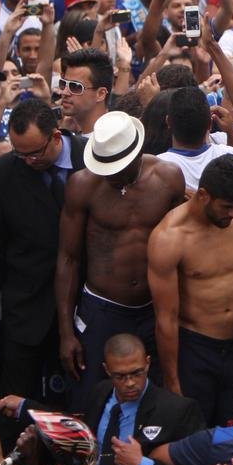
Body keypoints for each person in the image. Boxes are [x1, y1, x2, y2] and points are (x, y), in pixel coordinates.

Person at [0, 333, 204, 465]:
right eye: (120, 376)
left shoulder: (177, 411)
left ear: (148, 363)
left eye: (137, 373)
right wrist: (25, 407)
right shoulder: (100, 393)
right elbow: (76, 429)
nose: (130, 382)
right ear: (106, 369)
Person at [56, 111, 187, 410]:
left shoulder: (168, 177)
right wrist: (66, 332)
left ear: (137, 153)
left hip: (155, 308)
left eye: (118, 168)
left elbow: (184, 245)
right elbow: (68, 258)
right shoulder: (83, 185)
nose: (112, 175)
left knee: (154, 400)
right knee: (90, 399)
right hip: (102, 308)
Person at [0, 100, 87, 406]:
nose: (27, 160)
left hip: (84, 306)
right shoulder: (1, 174)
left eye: (34, 153)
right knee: (14, 401)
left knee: (76, 400)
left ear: (55, 136)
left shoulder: (90, 158)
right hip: (26, 306)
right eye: (19, 154)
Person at [147, 156, 233, 426]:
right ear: (203, 195)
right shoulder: (169, 238)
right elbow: (166, 318)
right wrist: (172, 381)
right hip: (196, 349)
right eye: (226, 207)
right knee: (194, 430)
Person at [155, 86, 233, 193]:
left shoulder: (157, 169)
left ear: (168, 122)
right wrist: (232, 132)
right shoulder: (231, 155)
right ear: (210, 124)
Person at [59, 47, 113, 136]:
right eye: (63, 83)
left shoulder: (112, 140)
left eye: (75, 86)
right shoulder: (68, 132)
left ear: (100, 94)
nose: (64, 92)